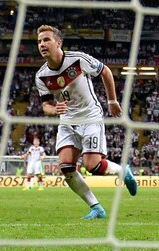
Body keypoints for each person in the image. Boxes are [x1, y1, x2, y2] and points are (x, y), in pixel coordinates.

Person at [35, 25, 137, 220]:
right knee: (66, 167)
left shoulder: (77, 59)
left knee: (93, 166)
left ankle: (123, 171)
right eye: (39, 41)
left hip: (90, 116)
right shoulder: (41, 75)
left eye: (46, 40)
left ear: (58, 43)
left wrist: (112, 101)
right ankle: (96, 207)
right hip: (67, 121)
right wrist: (54, 110)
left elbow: (105, 72)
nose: (42, 45)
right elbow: (46, 105)